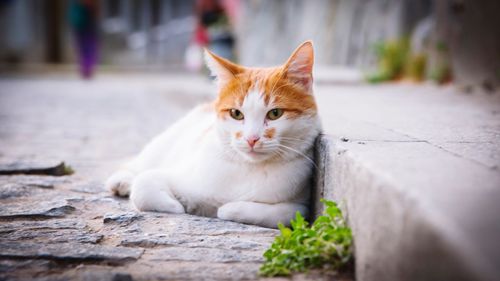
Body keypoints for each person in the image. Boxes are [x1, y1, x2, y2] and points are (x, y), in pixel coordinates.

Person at [69, 0, 98, 79]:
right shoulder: (83, 6)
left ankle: (86, 69)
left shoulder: (77, 5)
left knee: (85, 50)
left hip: (83, 30)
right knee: (87, 50)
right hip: (86, 31)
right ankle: (86, 69)